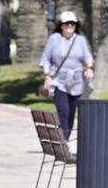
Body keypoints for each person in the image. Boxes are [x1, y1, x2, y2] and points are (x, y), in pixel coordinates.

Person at [40, 11, 94, 140]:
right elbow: (46, 59)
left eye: (72, 24)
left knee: (71, 113)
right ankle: (63, 140)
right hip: (59, 81)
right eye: (67, 23)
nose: (70, 26)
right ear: (61, 25)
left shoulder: (80, 40)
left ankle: (66, 138)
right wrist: (47, 76)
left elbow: (88, 57)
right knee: (63, 111)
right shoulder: (54, 39)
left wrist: (89, 68)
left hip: (76, 82)